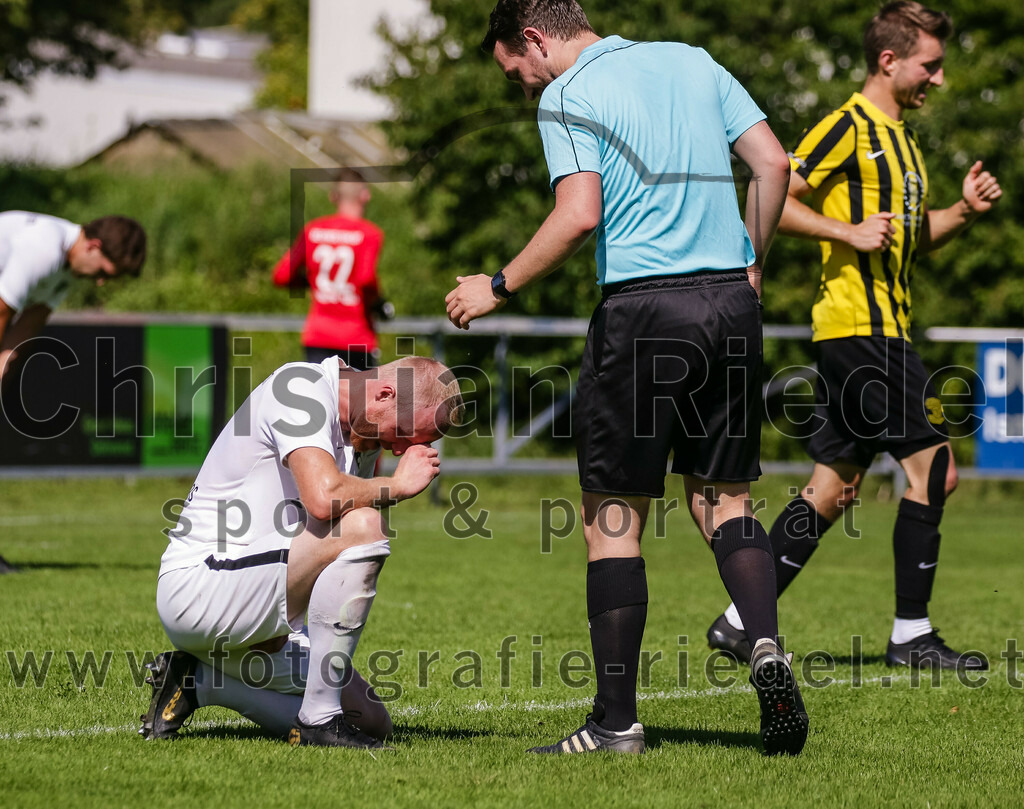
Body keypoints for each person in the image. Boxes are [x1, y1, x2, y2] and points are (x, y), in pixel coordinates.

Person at [446, 1, 806, 755]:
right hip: (729, 303)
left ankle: (615, 724)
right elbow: (773, 165)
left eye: (517, 73)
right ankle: (767, 645)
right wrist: (751, 262)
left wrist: (497, 285)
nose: (525, 88)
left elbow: (579, 215)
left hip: (644, 310)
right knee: (725, 499)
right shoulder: (692, 60)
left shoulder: (568, 94)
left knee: (612, 517)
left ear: (535, 39)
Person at [706, 2, 1001, 671]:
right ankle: (911, 633)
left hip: (877, 329)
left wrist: (963, 210)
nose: (940, 79)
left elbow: (906, 239)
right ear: (889, 60)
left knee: (833, 487)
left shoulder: (905, 141)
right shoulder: (848, 125)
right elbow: (772, 189)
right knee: (936, 468)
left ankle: (738, 622)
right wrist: (844, 231)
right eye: (931, 65)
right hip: (859, 329)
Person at [140, 355, 464, 748]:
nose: (398, 450)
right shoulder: (299, 388)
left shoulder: (361, 438)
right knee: (365, 525)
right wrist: (396, 487)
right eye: (403, 434)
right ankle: (318, 719)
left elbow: (324, 554)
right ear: (384, 393)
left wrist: (279, 627)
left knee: (371, 722)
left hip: (256, 604)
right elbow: (323, 500)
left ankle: (198, 683)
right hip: (199, 589)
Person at [0, 210, 146, 574]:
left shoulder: (64, 269)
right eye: (102, 272)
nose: (100, 283)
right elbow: (0, 311)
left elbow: (28, 324)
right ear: (93, 246)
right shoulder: (45, 249)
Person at [272, 168, 391, 370]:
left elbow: (281, 276)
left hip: (319, 335)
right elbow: (366, 279)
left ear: (333, 196)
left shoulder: (313, 230)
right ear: (365, 195)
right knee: (360, 391)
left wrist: (309, 281)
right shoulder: (369, 234)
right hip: (356, 335)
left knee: (321, 391)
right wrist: (379, 303)